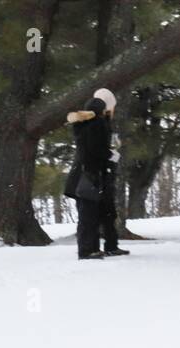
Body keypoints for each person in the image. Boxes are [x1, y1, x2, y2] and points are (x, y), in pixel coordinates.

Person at [65, 88, 126, 259]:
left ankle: (93, 248)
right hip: (91, 175)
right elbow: (96, 148)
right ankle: (88, 249)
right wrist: (110, 154)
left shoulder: (85, 124)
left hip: (88, 175)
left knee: (93, 214)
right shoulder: (96, 124)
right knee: (90, 215)